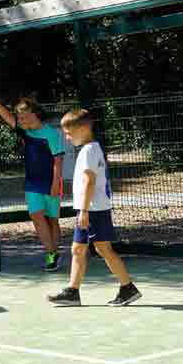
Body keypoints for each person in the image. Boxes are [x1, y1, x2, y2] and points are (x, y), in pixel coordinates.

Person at [47, 108, 141, 307]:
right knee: (78, 249)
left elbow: (89, 182)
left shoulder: (89, 150)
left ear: (83, 129)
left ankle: (127, 287)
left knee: (102, 249)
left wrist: (84, 211)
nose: (66, 136)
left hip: (93, 210)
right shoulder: (91, 149)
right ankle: (72, 291)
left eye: (69, 132)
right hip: (92, 209)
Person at [0, 87, 65, 271]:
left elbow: (58, 162)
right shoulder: (25, 133)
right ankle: (51, 254)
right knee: (36, 215)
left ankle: (54, 252)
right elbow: (8, 118)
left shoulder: (51, 134)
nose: (19, 121)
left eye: (23, 117)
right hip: (32, 183)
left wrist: (55, 184)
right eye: (19, 118)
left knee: (52, 220)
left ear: (34, 114)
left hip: (52, 182)